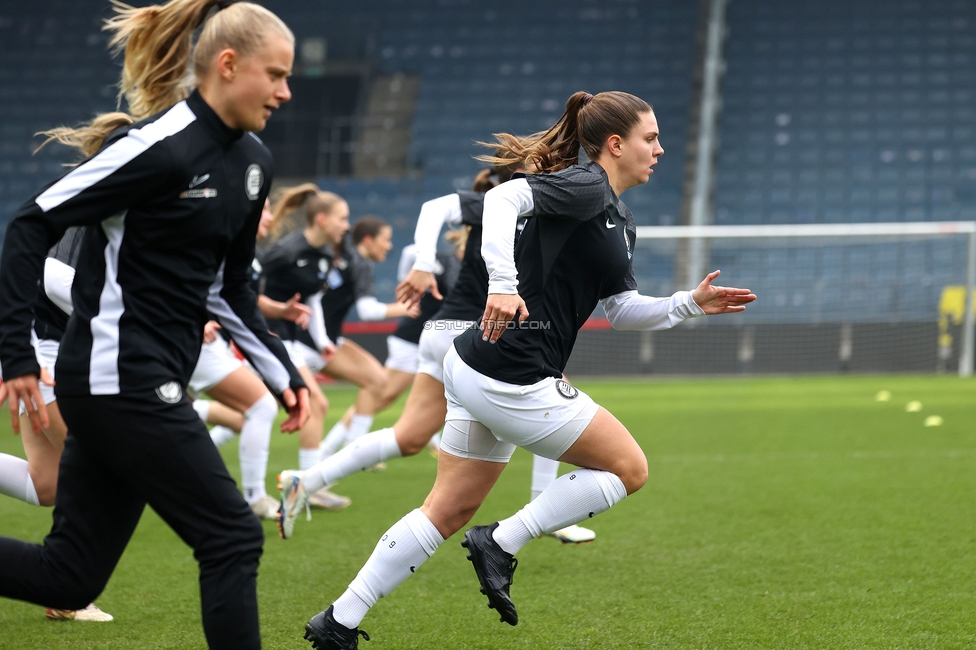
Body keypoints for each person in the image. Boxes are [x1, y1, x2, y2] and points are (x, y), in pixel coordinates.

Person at [300, 90, 756, 648]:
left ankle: (336, 623)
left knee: (448, 508)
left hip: (476, 363)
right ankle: (501, 541)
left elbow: (619, 310)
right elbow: (502, 199)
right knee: (629, 470)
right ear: (615, 144)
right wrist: (502, 284)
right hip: (511, 371)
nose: (660, 148)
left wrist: (687, 303)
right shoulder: (587, 185)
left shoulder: (618, 215)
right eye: (651, 137)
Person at [0, 3, 308, 649]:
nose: (285, 91)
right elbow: (32, 222)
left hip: (143, 379)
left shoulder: (253, 162)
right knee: (231, 534)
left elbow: (229, 289)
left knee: (67, 578)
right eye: (275, 74)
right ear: (228, 66)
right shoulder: (156, 149)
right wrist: (16, 355)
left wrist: (282, 372)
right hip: (117, 379)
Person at [279, 163, 596, 545]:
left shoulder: (505, 206)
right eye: (546, 168)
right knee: (553, 394)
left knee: (408, 437)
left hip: (441, 333)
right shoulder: (505, 204)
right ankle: (548, 513)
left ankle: (306, 481)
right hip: (472, 333)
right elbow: (434, 209)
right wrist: (423, 264)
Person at [0, 228, 113, 622]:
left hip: (55, 353)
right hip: (45, 356)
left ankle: (64, 591)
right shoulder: (97, 207)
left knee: (46, 483)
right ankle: (67, 593)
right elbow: (53, 275)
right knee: (102, 465)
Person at [187, 198, 314, 520]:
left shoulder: (241, 252)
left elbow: (240, 298)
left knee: (175, 416)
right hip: (188, 337)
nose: (269, 217)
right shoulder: (209, 238)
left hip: (199, 338)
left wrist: (281, 311)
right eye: (264, 209)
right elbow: (187, 280)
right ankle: (257, 496)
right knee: (260, 406)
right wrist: (192, 316)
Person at [312, 216, 420, 458]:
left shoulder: (347, 258)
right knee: (262, 407)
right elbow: (367, 311)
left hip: (324, 340)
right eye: (386, 240)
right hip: (311, 343)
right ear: (369, 241)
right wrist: (403, 309)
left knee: (376, 380)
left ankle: (352, 450)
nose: (389, 246)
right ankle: (349, 453)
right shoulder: (360, 264)